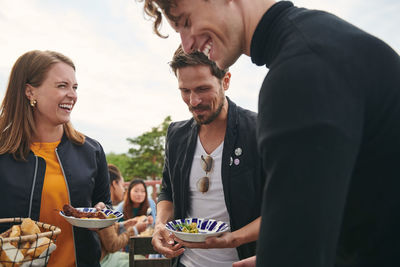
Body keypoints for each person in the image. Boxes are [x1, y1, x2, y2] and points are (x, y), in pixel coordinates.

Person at [137, 0, 400, 266]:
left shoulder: (300, 71)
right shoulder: (323, 43)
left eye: (186, 22)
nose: (186, 43)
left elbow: (299, 242)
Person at [151, 45, 265, 267]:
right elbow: (167, 190)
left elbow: (283, 208)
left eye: (202, 89)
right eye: (185, 91)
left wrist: (233, 239)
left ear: (226, 80)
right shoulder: (176, 135)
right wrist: (160, 225)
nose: (193, 101)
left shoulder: (258, 130)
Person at [0, 50, 112, 266]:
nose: (72, 95)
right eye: (62, 86)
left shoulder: (92, 151)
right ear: (30, 92)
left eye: (75, 87)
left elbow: (104, 204)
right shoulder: (3, 153)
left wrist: (101, 212)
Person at [97, 164, 143, 267]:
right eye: (122, 185)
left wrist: (123, 225)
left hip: (105, 256)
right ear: (114, 184)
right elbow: (113, 245)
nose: (123, 190)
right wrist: (135, 230)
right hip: (103, 260)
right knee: (142, 262)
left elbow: (106, 232)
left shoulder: (103, 204)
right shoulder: (102, 208)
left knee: (140, 258)